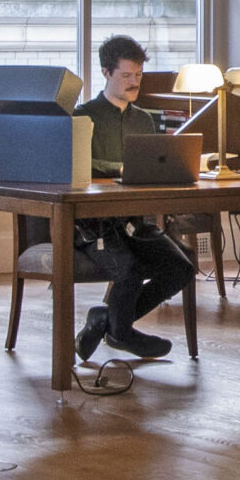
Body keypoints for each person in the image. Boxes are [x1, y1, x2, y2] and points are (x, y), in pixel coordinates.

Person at [72, 35, 197, 362]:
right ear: (106, 72)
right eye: (126, 76)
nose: (134, 83)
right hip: (95, 225)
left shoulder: (144, 119)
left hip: (136, 222)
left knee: (181, 268)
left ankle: (110, 322)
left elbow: (152, 164)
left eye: (138, 76)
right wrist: (123, 168)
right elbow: (82, 167)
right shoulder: (84, 116)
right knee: (127, 269)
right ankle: (121, 331)